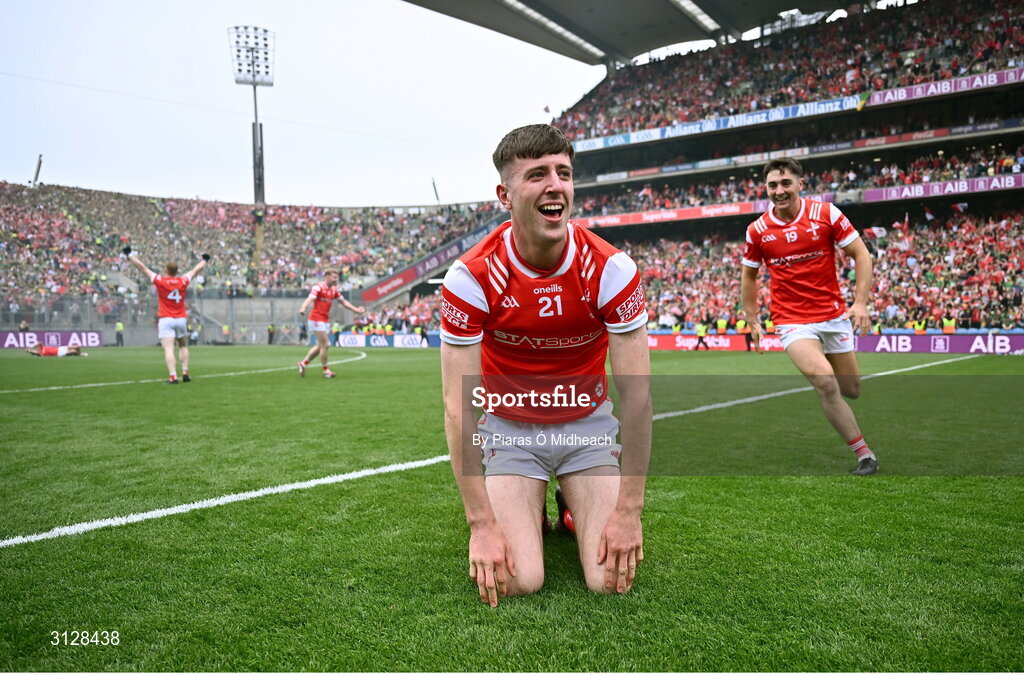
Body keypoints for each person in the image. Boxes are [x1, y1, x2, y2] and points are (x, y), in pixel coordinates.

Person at [439, 124, 652, 607]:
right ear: (505, 195)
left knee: (609, 581)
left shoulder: (612, 269)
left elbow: (637, 397)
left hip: (587, 428)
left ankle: (571, 507)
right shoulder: (471, 276)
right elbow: (458, 409)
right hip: (510, 429)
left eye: (564, 173)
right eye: (537, 175)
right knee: (519, 580)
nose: (556, 185)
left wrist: (629, 511)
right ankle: (526, 509)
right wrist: (481, 525)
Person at [740, 157, 878, 476]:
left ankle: (855, 434)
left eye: (785, 183)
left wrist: (860, 303)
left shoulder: (826, 214)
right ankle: (864, 454)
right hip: (791, 320)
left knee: (852, 388)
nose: (779, 190)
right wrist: (753, 319)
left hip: (832, 315)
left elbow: (862, 254)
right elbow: (748, 277)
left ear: (801, 184)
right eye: (772, 185)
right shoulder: (757, 230)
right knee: (824, 381)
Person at [125, 246, 208, 384]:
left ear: (166, 271)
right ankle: (185, 373)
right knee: (183, 346)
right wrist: (205, 260)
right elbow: (196, 270)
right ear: (177, 271)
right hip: (181, 318)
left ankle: (173, 376)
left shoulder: (160, 280)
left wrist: (129, 255)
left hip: (166, 319)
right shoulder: (182, 280)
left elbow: (142, 268)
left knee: (169, 348)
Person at [296, 270, 365, 378]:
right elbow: (310, 298)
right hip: (316, 318)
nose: (336, 279)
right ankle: (325, 371)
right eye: (333, 277)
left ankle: (303, 363)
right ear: (327, 276)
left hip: (324, 319)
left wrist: (356, 309)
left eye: (336, 277)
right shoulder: (318, 287)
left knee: (320, 346)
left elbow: (344, 302)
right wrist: (303, 308)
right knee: (326, 345)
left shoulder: (334, 290)